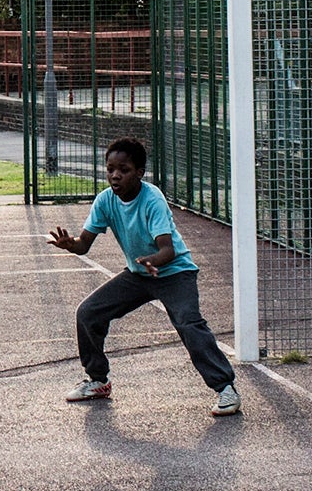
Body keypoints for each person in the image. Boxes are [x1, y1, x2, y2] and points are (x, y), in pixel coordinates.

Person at [47, 137, 240, 416]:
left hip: (174, 272)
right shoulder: (105, 200)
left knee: (189, 323)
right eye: (110, 168)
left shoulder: (153, 199)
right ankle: (98, 381)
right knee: (89, 313)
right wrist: (71, 244)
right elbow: (84, 245)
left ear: (139, 173)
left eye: (123, 169)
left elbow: (168, 249)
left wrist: (152, 260)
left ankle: (225, 388)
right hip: (139, 274)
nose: (115, 175)